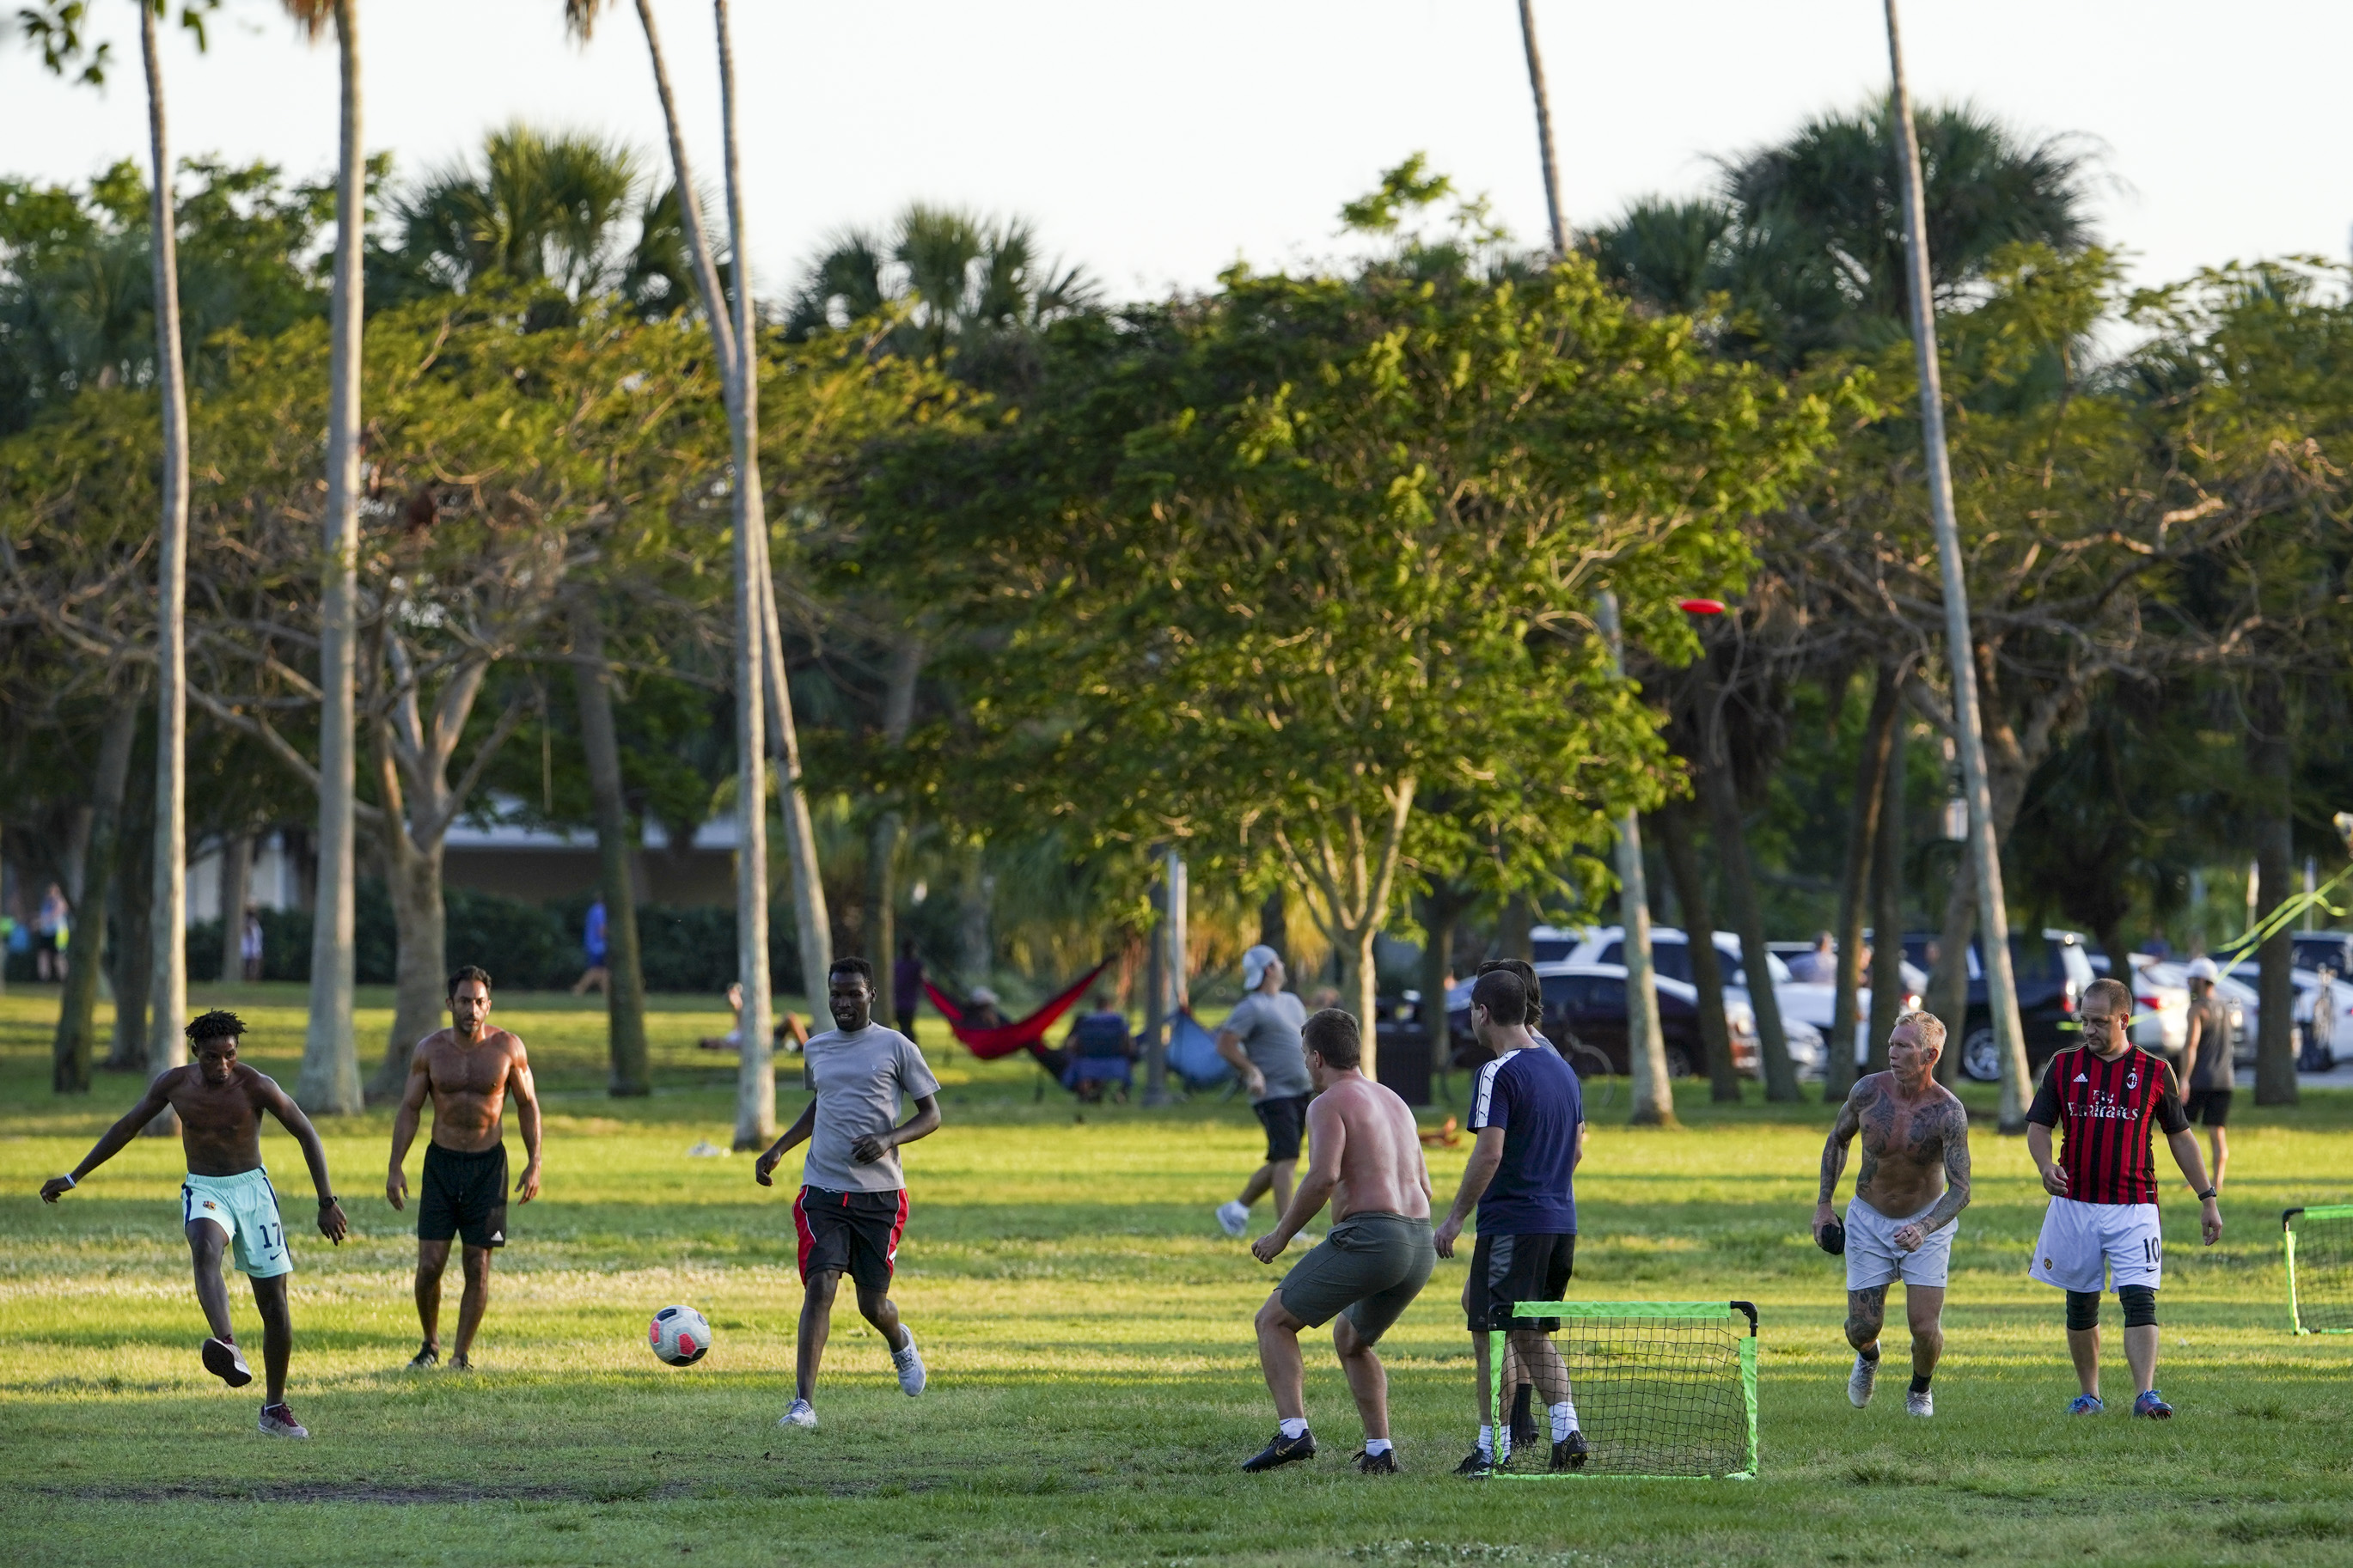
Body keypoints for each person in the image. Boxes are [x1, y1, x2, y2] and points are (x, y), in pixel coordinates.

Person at [40, 1010, 350, 1437]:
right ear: (194, 1053)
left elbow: (306, 1132)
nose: (222, 1066)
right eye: (211, 1057)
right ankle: (227, 1344)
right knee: (205, 1247)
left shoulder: (257, 1085)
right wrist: (74, 1176)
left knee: (275, 1307)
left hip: (254, 1193)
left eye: (229, 1055)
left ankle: (274, 1409)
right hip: (205, 1188)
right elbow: (127, 1126)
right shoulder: (174, 1085)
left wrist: (326, 1201)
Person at [1242, 1009, 1435, 1474]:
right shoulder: (1395, 1101)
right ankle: (1379, 1450)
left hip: (1373, 1237)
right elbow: (1426, 1187)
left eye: (1306, 1058)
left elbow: (1323, 1177)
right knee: (1351, 1339)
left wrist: (1280, 1235)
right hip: (1419, 1243)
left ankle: (1293, 1434)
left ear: (1317, 1057)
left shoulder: (1327, 1103)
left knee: (1272, 1321)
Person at [756, 956, 943, 1430]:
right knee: (821, 1286)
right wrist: (778, 1148)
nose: (842, 1003)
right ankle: (803, 1404)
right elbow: (821, 1105)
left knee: (871, 1305)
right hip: (822, 1188)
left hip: (880, 1196)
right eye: (835, 994)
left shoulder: (896, 1047)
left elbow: (931, 1115)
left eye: (852, 994)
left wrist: (888, 1139)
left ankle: (899, 1342)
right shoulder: (817, 1048)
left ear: (871, 995)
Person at [2025, 975, 2222, 1419]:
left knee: (2139, 1297)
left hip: (2135, 1206)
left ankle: (2146, 1395)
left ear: (2124, 1020)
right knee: (2081, 1300)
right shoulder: (2063, 1066)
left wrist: (2207, 1197)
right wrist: (2044, 1166)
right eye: (2084, 1021)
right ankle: (2090, 1395)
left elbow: (2182, 1138)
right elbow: (2039, 1127)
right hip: (2074, 1204)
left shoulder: (2155, 1071)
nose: (2089, 1030)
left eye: (2099, 1022)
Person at [1434, 968, 1588, 1474]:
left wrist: (1455, 1218)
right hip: (1560, 1223)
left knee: (1492, 1330)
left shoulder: (1498, 1072)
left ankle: (1491, 1447)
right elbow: (1578, 1148)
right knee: (1529, 1331)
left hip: (1513, 1225)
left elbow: (1488, 1153)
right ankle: (1567, 1434)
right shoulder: (1562, 1070)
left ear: (1481, 1012)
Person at [1812, 1010, 1971, 1419]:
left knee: (1923, 1326)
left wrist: (1925, 1226)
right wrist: (1824, 1205)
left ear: (1929, 1054)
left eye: (1903, 1046)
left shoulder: (1948, 1112)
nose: (1892, 1053)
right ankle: (1868, 1357)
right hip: (1868, 1219)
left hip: (1926, 1224)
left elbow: (1962, 1189)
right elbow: (1837, 1140)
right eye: (1890, 1044)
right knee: (1862, 1328)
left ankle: (1920, 1390)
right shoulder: (1867, 1092)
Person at [388, 965, 544, 1370]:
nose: (471, 1010)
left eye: (479, 1002)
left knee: (477, 1263)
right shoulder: (430, 1051)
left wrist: (535, 1162)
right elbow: (410, 1108)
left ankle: (460, 1355)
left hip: (488, 1168)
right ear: (449, 1004)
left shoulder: (509, 1048)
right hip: (441, 1165)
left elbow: (528, 1106)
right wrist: (395, 1167)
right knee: (430, 1265)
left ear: (488, 1005)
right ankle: (430, 1344)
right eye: (463, 1001)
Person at [1214, 945, 1314, 1240]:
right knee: (1286, 1158)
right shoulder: (1252, 1007)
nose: (1283, 965)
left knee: (1282, 1158)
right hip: (1272, 1093)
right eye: (1279, 961)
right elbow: (1226, 1044)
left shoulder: (1292, 1002)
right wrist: (1251, 1071)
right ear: (1270, 968)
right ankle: (1289, 1229)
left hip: (1301, 1090)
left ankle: (1236, 1209)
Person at [2179, 957, 2234, 1193]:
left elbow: (2191, 1045)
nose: (2189, 983)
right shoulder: (2224, 1007)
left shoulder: (2197, 1009)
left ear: (2201, 981)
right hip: (2225, 1080)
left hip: (2201, 1079)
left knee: (2183, 1132)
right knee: (2217, 1133)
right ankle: (2217, 1181)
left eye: (2191, 979)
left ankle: (2195, 1179)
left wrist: (2183, 1078)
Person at [1062, 987, 1136, 1103]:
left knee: (1078, 1062)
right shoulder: (1117, 1022)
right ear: (1109, 1006)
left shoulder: (1084, 1021)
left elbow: (1071, 1044)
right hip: (1115, 1062)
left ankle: (1086, 1094)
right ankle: (1121, 1092)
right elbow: (1129, 1045)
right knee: (1133, 1057)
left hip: (1087, 1062)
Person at [571, 899, 609, 995]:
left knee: (602, 970)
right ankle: (579, 989)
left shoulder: (592, 910)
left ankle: (606, 992)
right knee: (596, 970)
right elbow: (601, 929)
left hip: (591, 944)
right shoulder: (601, 911)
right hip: (599, 946)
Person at [893, 937, 925, 1043]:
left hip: (898, 1003)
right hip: (909, 1004)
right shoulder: (917, 966)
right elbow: (925, 982)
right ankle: (912, 1049)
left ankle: (908, 1049)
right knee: (907, 1029)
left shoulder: (897, 965)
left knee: (905, 1028)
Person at [35, 882, 66, 982]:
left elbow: (55, 914)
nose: (51, 894)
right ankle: (44, 978)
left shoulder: (60, 902)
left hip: (58, 933)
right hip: (46, 933)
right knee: (43, 955)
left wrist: (40, 921)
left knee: (58, 957)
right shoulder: (45, 903)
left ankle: (64, 978)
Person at [240, 906, 265, 982]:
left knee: (255, 966)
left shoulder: (254, 923)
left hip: (255, 948)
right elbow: (249, 934)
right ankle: (250, 980)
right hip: (251, 949)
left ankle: (254, 980)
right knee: (251, 966)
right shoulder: (250, 923)